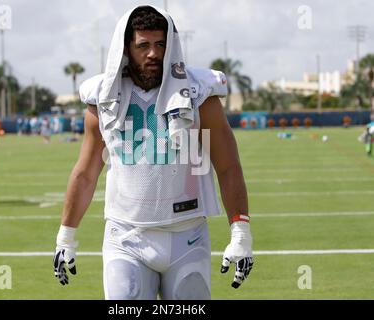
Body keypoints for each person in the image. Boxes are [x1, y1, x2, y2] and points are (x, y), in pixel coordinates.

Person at [53, 5, 253, 299]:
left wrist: (241, 233)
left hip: (188, 235)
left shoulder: (200, 95)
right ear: (126, 48)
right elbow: (86, 172)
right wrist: (66, 236)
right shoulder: (104, 98)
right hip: (125, 237)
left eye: (161, 44)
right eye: (143, 45)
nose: (153, 53)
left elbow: (227, 166)